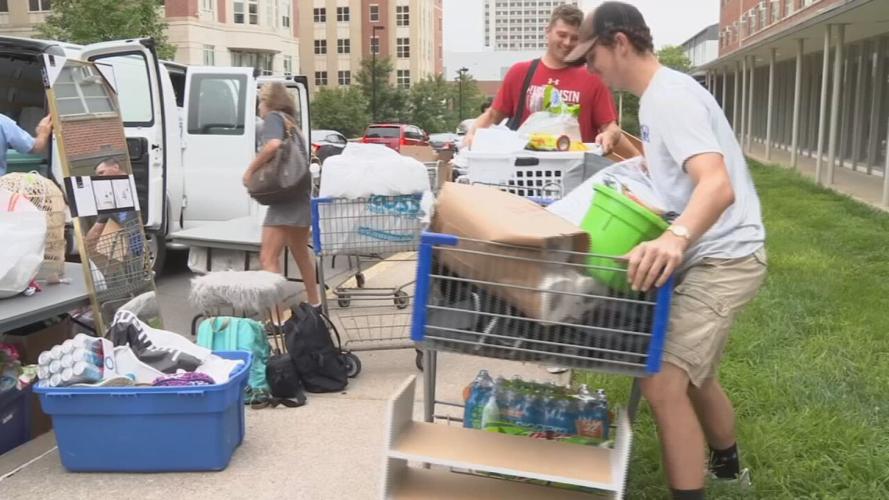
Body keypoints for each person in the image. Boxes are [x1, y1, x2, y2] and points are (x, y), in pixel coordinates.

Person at [566, 3, 766, 499]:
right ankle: (729, 470)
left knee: (662, 380)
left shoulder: (670, 97)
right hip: (714, 253)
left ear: (619, 43)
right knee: (697, 374)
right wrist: (627, 149)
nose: (589, 69)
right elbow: (675, 170)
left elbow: (717, 185)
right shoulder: (658, 98)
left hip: (725, 259)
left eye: (591, 57)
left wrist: (673, 238)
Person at [464, 4, 635, 156]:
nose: (567, 42)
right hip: (526, 171)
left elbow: (610, 126)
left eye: (575, 38)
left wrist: (610, 136)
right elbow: (493, 115)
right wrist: (472, 135)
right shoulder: (520, 73)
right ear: (548, 31)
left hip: (577, 169)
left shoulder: (594, 78)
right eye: (562, 35)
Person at [242, 83, 321, 307]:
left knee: (268, 258)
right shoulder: (292, 124)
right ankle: (315, 305)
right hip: (300, 198)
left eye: (260, 101)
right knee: (301, 255)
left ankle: (276, 318)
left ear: (269, 102)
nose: (259, 107)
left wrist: (250, 170)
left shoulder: (274, 118)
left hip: (284, 202)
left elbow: (273, 145)